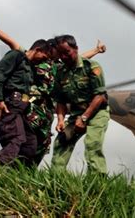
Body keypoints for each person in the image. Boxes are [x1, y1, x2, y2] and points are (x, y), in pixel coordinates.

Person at [0, 16, 106, 164]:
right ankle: (5, 167)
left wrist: (96, 50)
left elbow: (78, 59)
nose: (56, 54)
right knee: (18, 139)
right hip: (31, 107)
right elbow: (13, 43)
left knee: (39, 144)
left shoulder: (58, 67)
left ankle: (26, 174)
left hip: (47, 112)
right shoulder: (33, 60)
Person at [51, 34, 110, 175]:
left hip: (96, 112)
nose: (64, 57)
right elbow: (60, 100)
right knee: (62, 142)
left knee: (92, 144)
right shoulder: (60, 72)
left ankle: (98, 182)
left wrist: (84, 118)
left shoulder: (91, 66)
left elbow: (100, 96)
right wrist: (60, 120)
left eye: (67, 53)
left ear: (76, 49)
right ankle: (54, 180)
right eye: (60, 55)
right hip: (76, 114)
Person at [0, 39, 50, 166]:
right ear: (38, 50)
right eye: (44, 57)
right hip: (9, 105)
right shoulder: (16, 56)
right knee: (15, 138)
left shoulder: (31, 68)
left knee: (30, 143)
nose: (44, 60)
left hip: (21, 110)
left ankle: (16, 176)